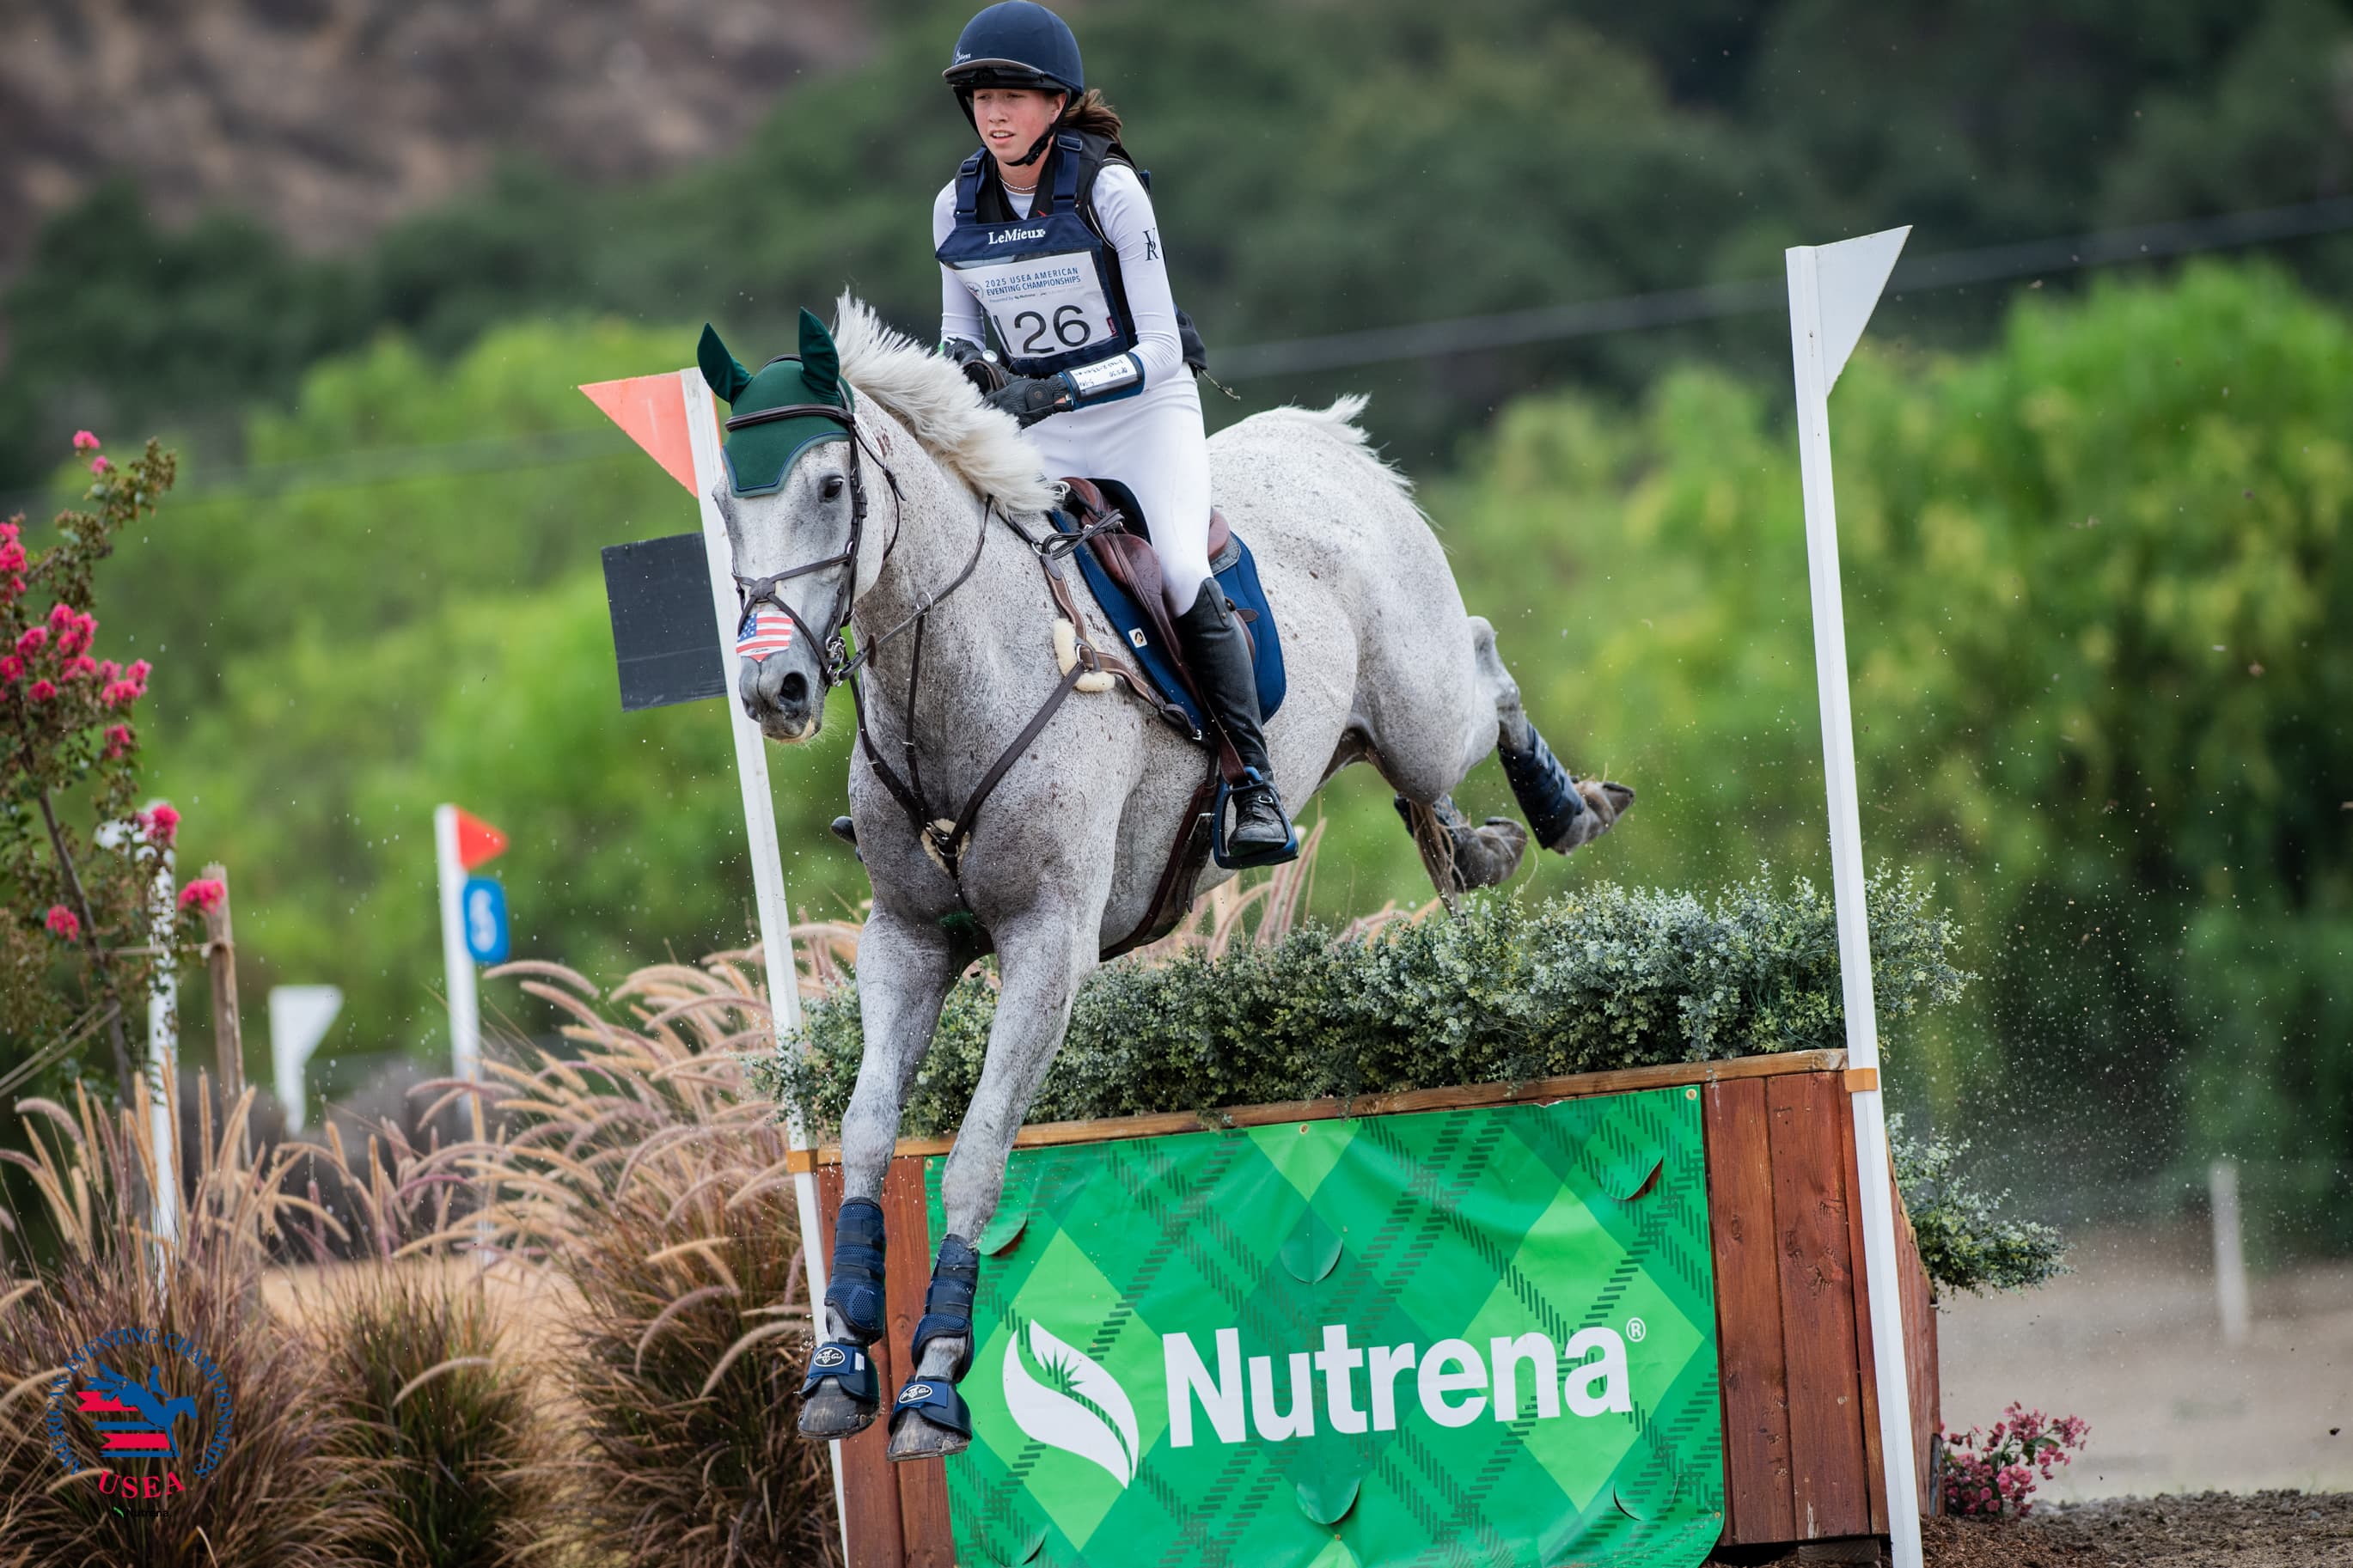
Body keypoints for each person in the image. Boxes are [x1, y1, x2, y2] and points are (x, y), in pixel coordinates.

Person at [932, 1, 1295, 862]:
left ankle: (1253, 784)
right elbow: (958, 334)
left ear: (1055, 105)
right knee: (961, 555)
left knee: (1173, 568)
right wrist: (970, 374)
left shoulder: (1108, 190)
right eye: (980, 94)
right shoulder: (954, 206)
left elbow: (1163, 348)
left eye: (1013, 95)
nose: (992, 111)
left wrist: (1052, 389)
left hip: (1142, 416)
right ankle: (932, 780)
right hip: (1040, 430)